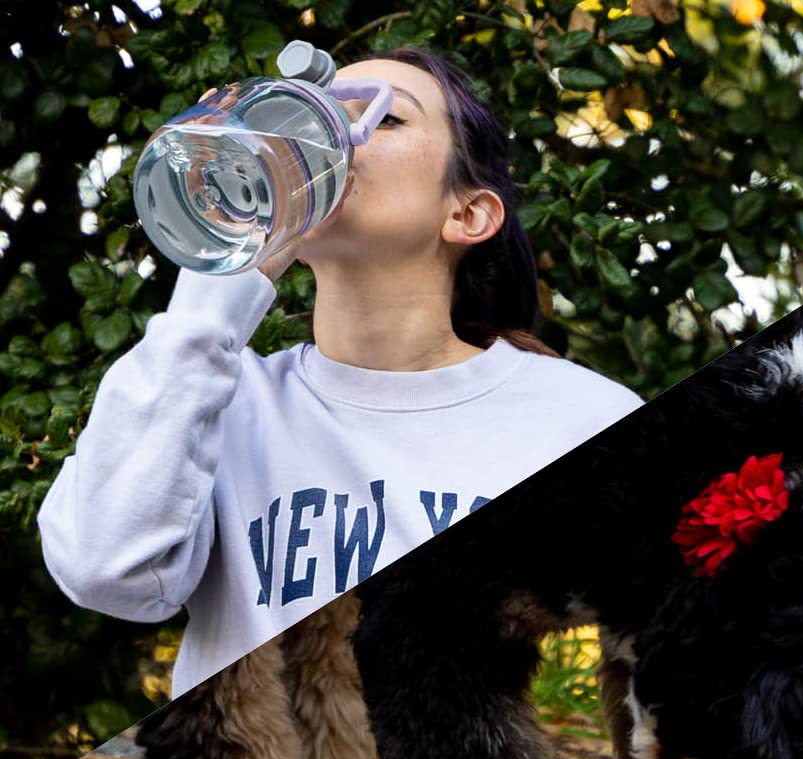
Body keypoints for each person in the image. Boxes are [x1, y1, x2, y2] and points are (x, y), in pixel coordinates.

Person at [37, 48, 645, 700]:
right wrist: (219, 279)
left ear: (467, 214)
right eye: (309, 112)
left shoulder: (580, 419)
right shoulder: (217, 399)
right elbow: (105, 572)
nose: (324, 135)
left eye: (380, 120)